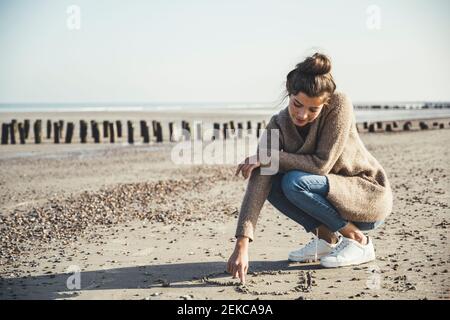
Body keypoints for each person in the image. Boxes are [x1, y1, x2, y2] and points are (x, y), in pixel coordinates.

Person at [227, 53, 393, 285]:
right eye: (297, 104)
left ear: (325, 103)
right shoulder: (277, 124)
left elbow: (320, 164)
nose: (303, 115)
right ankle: (326, 239)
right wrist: (242, 244)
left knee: (293, 181)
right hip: (332, 201)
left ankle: (358, 240)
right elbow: (260, 177)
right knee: (271, 181)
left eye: (313, 109)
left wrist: (270, 157)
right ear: (289, 93)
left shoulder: (339, 104)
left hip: (365, 196)